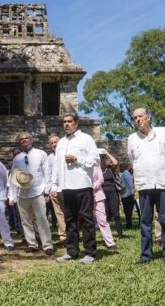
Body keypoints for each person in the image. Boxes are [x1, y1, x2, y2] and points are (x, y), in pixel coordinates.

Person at [128, 107, 165, 264]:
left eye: (140, 116)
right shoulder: (132, 138)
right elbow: (132, 161)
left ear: (148, 117)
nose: (138, 119)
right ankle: (145, 256)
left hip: (163, 183)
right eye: (135, 117)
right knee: (145, 222)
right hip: (145, 185)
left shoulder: (163, 132)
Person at [51, 111, 99, 264]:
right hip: (66, 187)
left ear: (76, 123)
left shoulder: (86, 139)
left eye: (70, 121)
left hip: (82, 185)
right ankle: (72, 252)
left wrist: (77, 159)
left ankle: (90, 252)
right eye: (64, 122)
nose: (66, 124)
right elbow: (57, 166)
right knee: (69, 220)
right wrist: (55, 185)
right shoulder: (61, 143)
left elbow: (95, 160)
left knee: (86, 219)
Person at [8, 132, 54, 256]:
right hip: (22, 194)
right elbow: (13, 177)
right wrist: (12, 195)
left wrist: (47, 190)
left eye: (26, 138)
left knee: (42, 219)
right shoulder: (17, 158)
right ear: (19, 142)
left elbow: (47, 173)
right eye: (22, 139)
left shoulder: (41, 154)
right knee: (25, 221)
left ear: (31, 140)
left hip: (38, 191)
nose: (24, 140)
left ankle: (47, 245)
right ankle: (32, 244)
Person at [99, 148, 123, 238]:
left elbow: (116, 163)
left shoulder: (110, 168)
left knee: (116, 213)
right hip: (102, 194)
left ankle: (120, 234)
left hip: (113, 192)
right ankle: (107, 235)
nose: (102, 159)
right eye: (100, 158)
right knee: (106, 215)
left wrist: (107, 153)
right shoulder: (96, 169)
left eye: (103, 158)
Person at [47, 134, 66, 245]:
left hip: (67, 188)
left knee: (69, 212)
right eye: (52, 143)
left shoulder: (65, 154)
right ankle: (63, 236)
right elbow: (48, 174)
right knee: (59, 214)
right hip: (55, 190)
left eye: (56, 142)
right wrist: (50, 190)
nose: (54, 144)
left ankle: (73, 234)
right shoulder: (49, 158)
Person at [93, 165, 117, 251]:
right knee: (86, 222)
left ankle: (110, 242)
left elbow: (101, 179)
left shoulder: (96, 165)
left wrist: (92, 187)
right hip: (84, 196)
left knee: (103, 220)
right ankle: (90, 243)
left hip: (97, 195)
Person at [119, 162, 140, 229]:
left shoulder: (126, 173)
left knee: (128, 211)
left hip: (128, 195)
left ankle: (129, 224)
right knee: (126, 211)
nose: (119, 169)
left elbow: (130, 183)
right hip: (125, 195)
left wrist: (132, 192)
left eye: (120, 167)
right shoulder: (123, 174)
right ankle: (128, 223)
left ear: (123, 167)